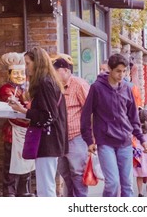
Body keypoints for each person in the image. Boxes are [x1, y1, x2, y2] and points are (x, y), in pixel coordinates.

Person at [80, 53, 147, 197]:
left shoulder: (126, 88)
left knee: (127, 185)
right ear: (109, 69)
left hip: (125, 141)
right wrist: (88, 140)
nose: (121, 75)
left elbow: (133, 117)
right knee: (112, 183)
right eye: (118, 71)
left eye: (124, 71)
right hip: (105, 142)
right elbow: (85, 115)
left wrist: (141, 139)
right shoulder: (97, 88)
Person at [8, 47, 67, 197]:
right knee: (46, 184)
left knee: (45, 187)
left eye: (28, 63)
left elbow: (47, 115)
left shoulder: (45, 83)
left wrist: (22, 111)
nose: (26, 68)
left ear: (37, 63)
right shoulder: (50, 82)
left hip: (48, 140)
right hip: (51, 139)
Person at [52, 53, 90, 197]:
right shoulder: (55, 87)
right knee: (64, 172)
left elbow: (90, 110)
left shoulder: (79, 84)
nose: (54, 75)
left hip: (76, 136)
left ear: (66, 70)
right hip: (59, 138)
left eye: (56, 72)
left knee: (78, 173)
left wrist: (92, 138)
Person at [0, 52, 34, 197]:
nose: (19, 76)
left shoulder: (27, 88)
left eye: (22, 73)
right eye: (16, 73)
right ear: (9, 74)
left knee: (27, 161)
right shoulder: (6, 89)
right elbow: (14, 104)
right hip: (13, 132)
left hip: (27, 130)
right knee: (10, 163)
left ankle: (23, 189)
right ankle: (9, 191)